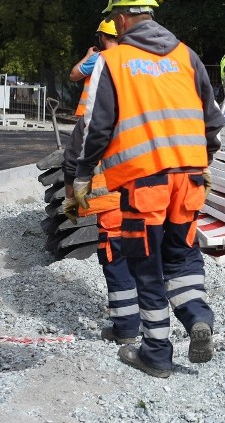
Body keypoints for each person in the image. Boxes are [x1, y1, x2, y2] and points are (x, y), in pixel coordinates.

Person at [72, 0, 225, 378]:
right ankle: (197, 318)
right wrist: (203, 163)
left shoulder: (114, 61)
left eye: (114, 19)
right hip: (190, 181)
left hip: (145, 185)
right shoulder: (186, 56)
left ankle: (157, 354)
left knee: (146, 266)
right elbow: (213, 122)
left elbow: (96, 127)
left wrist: (82, 176)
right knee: (183, 256)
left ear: (122, 18)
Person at [63, 21, 139, 346]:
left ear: (105, 38)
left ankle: (126, 329)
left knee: (115, 259)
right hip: (147, 193)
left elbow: (85, 141)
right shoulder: (144, 74)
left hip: (112, 198)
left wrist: (71, 191)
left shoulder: (103, 69)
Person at [70, 20, 120, 116]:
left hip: (93, 112)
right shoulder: (125, 56)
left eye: (99, 36)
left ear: (103, 37)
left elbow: (73, 75)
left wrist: (88, 56)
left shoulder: (99, 58)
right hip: (117, 112)